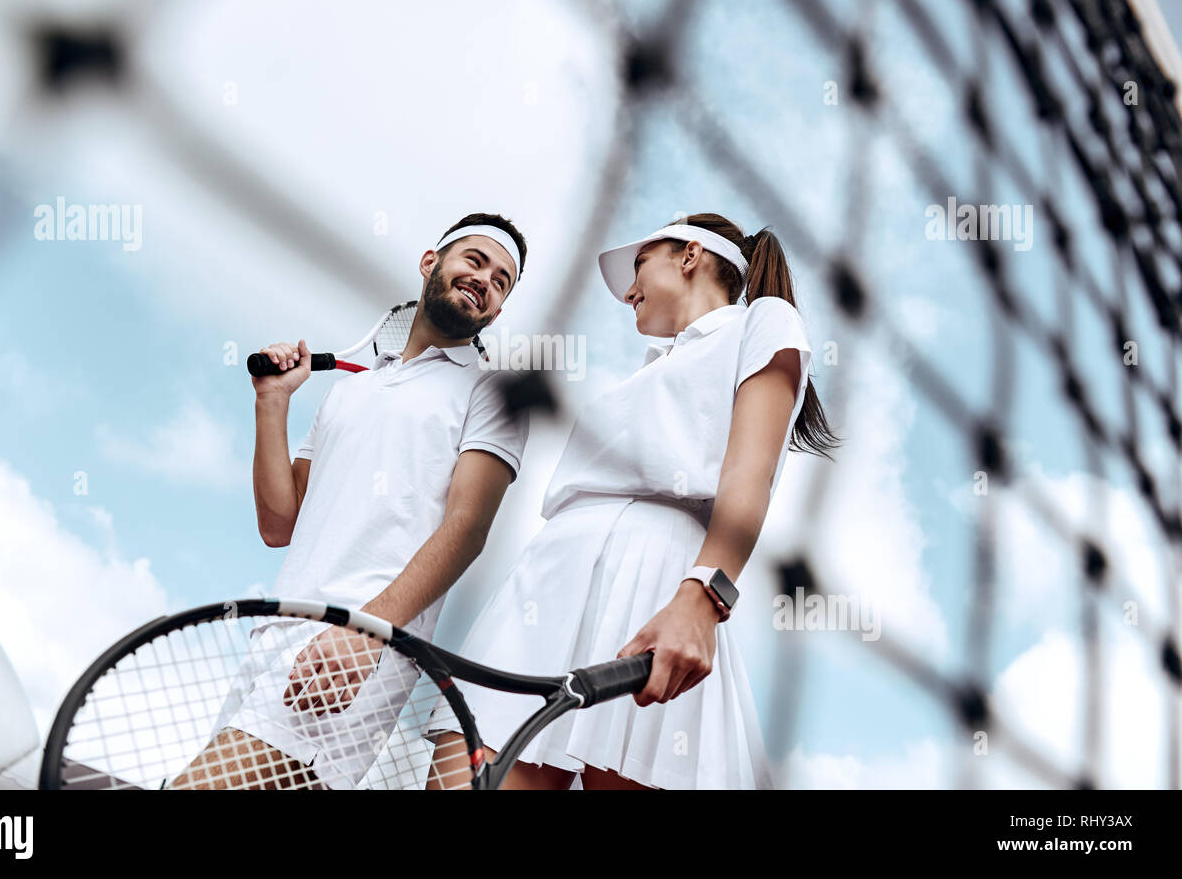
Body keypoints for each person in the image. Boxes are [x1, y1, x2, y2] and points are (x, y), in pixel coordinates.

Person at [427, 212, 839, 790]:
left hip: (659, 583)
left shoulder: (762, 322)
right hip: (547, 582)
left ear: (689, 255)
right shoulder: (649, 373)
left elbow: (751, 473)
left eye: (640, 265)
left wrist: (702, 597)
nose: (628, 291)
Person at [171, 213, 531, 789]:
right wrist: (272, 403)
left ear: (498, 308)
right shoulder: (350, 388)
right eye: (475, 260)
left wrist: (366, 630)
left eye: (502, 280)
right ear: (429, 262)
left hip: (359, 647)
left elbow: (467, 528)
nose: (486, 279)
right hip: (277, 636)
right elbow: (278, 522)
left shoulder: (493, 391)